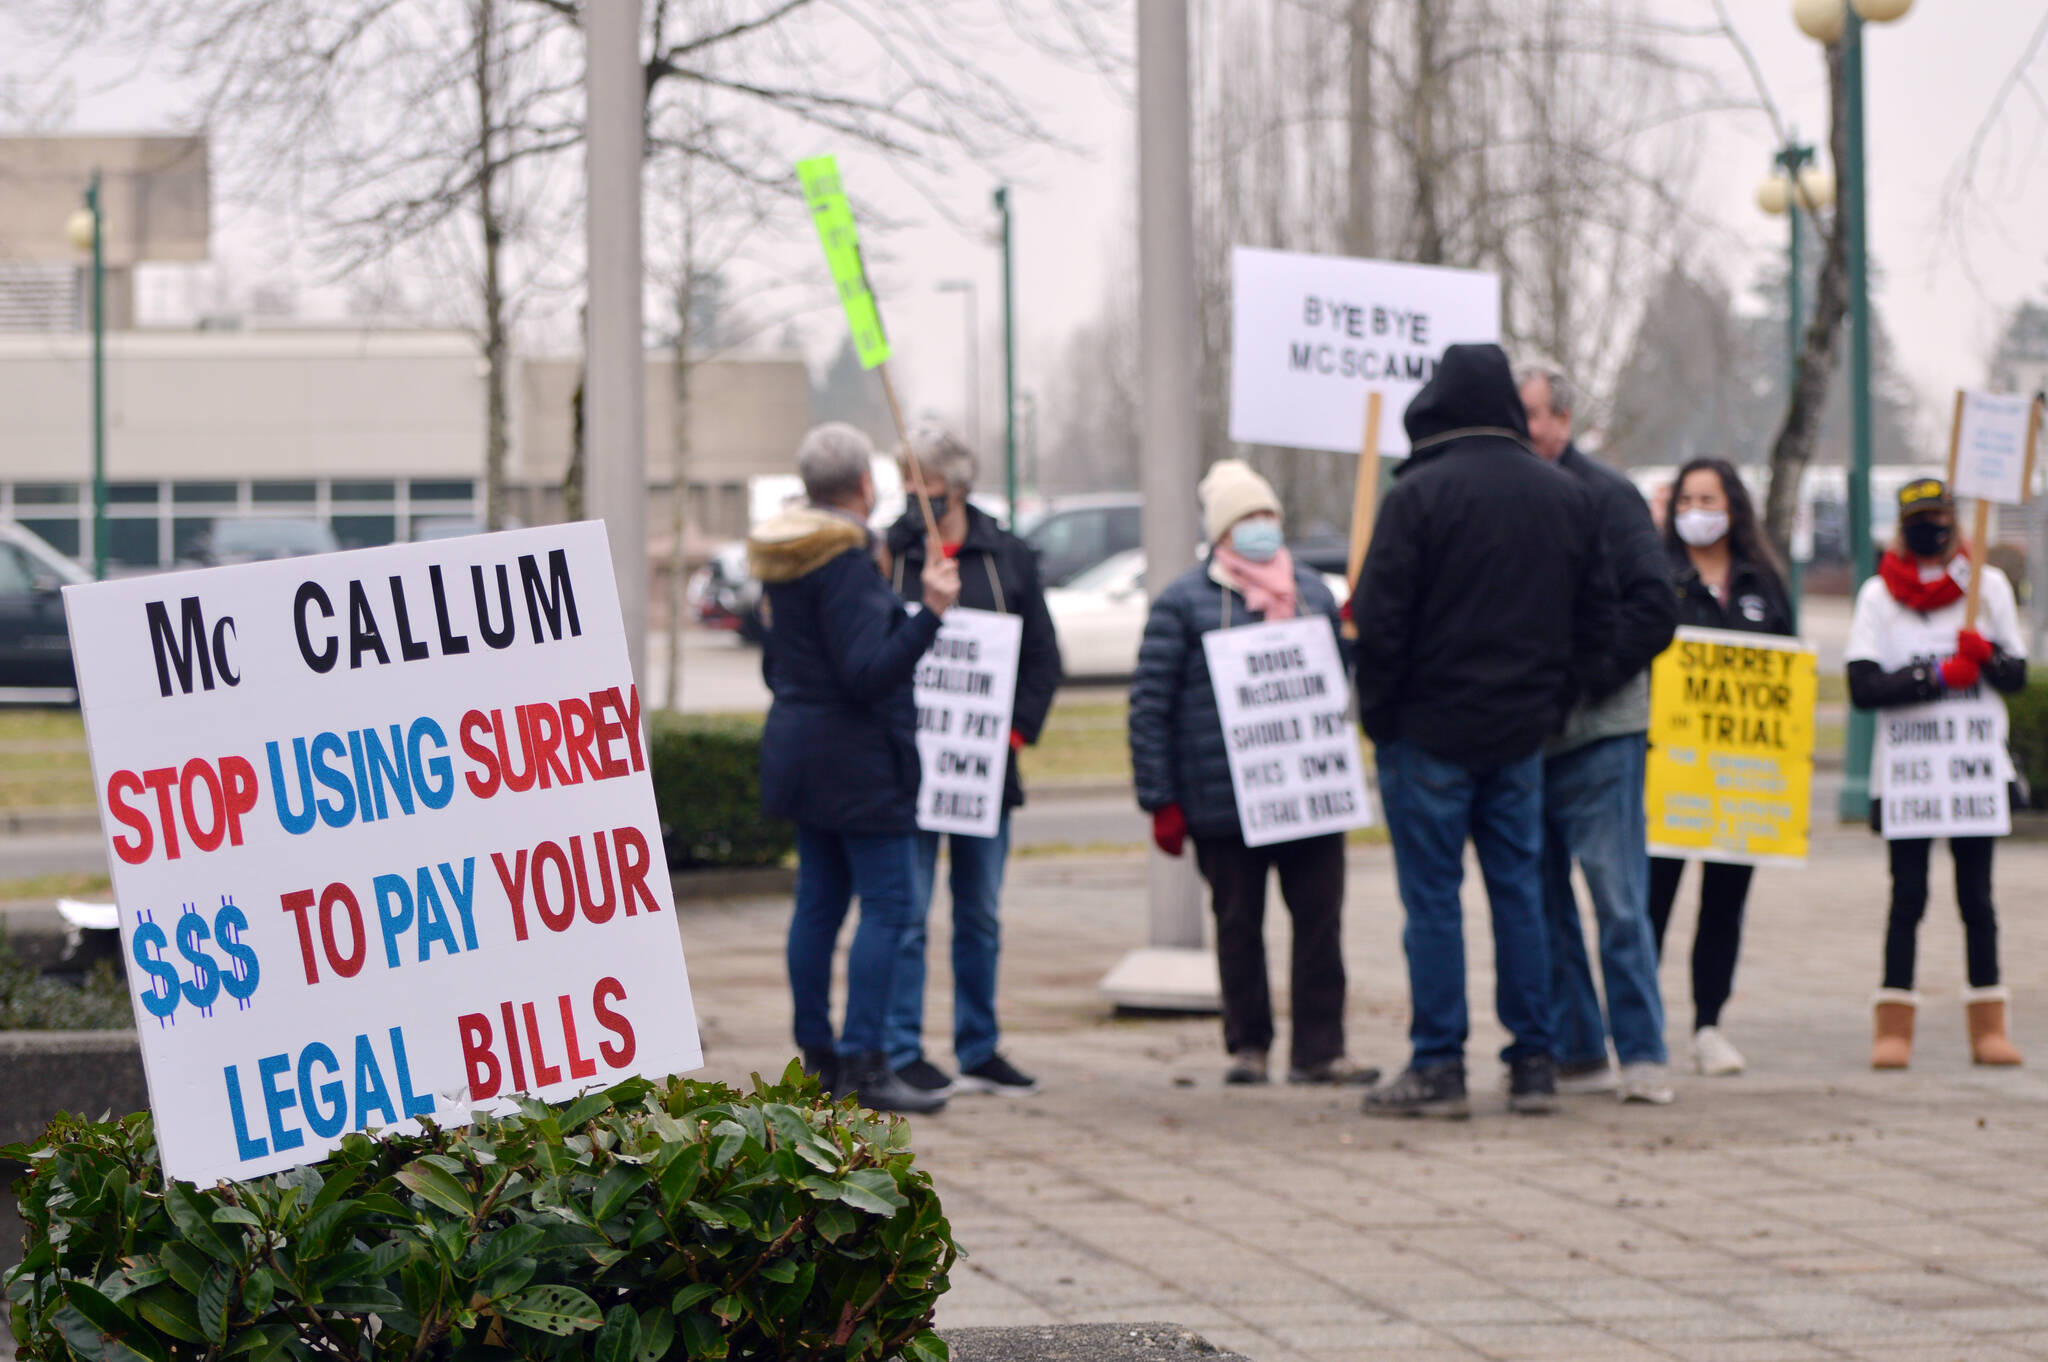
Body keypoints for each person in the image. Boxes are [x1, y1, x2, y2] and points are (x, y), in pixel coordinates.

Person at [1352, 343, 1614, 1119]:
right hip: (1521, 736)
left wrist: (1382, 717)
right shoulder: (1563, 496)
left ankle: (1439, 1064)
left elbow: (1381, 621)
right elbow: (1597, 620)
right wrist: (1554, 700)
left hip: (1428, 733)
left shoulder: (1417, 495)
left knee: (1432, 902)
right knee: (1521, 896)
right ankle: (1533, 1060)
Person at [1129, 459, 1372, 1087]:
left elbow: (1343, 678)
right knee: (1238, 926)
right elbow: (1150, 705)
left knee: (1321, 924)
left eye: (1267, 516)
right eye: (1246, 519)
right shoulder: (1183, 603)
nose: (1261, 527)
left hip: (1307, 798)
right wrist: (1161, 798)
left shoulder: (1314, 594)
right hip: (1223, 802)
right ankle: (1249, 1046)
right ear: (1221, 532)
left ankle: (1321, 1049)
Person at [749, 422, 961, 1114]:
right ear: (865, 486)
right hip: (859, 762)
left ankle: (817, 1057)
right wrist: (928, 613)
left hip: (803, 752)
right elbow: (870, 672)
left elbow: (775, 662)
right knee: (890, 906)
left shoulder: (784, 555)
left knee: (817, 903)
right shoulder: (843, 561)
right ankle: (866, 1063)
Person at [878, 427, 1062, 1099]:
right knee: (908, 913)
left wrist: (1012, 734)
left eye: (923, 482)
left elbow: (1043, 657)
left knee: (978, 914)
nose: (912, 496)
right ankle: (903, 1049)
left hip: (984, 774)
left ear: (956, 485)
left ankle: (979, 1047)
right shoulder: (887, 555)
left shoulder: (1006, 557)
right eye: (905, 481)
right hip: (910, 771)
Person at [1518, 363, 1677, 1106]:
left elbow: (1653, 608)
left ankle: (1643, 1050)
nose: (1530, 431)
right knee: (1543, 902)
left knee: (1617, 899)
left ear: (1566, 420)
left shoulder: (1609, 497)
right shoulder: (1511, 496)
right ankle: (1580, 1048)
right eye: (1520, 418)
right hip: (1530, 737)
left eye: (1539, 417)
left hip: (1603, 731)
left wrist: (1587, 681)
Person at [1847, 477, 2027, 1069]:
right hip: (1909, 777)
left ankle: (1988, 1022)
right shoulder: (1879, 597)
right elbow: (1863, 685)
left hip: (1969, 772)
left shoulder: (1988, 587)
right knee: (1909, 895)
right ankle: (1893, 1023)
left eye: (1943, 517)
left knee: (1977, 896)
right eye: (1923, 519)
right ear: (1904, 528)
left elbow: (2016, 675)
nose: (1936, 529)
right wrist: (1935, 677)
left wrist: (1987, 658)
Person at [1646, 458, 1795, 1077]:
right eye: (1684, 501)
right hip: (1671, 774)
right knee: (1651, 900)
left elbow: (1789, 672)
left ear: (1733, 507)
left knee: (1724, 905)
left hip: (1739, 780)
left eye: (1706, 499)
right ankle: (1636, 1023)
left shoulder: (1764, 583)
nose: (1694, 512)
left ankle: (1709, 1024)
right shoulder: (1657, 577)